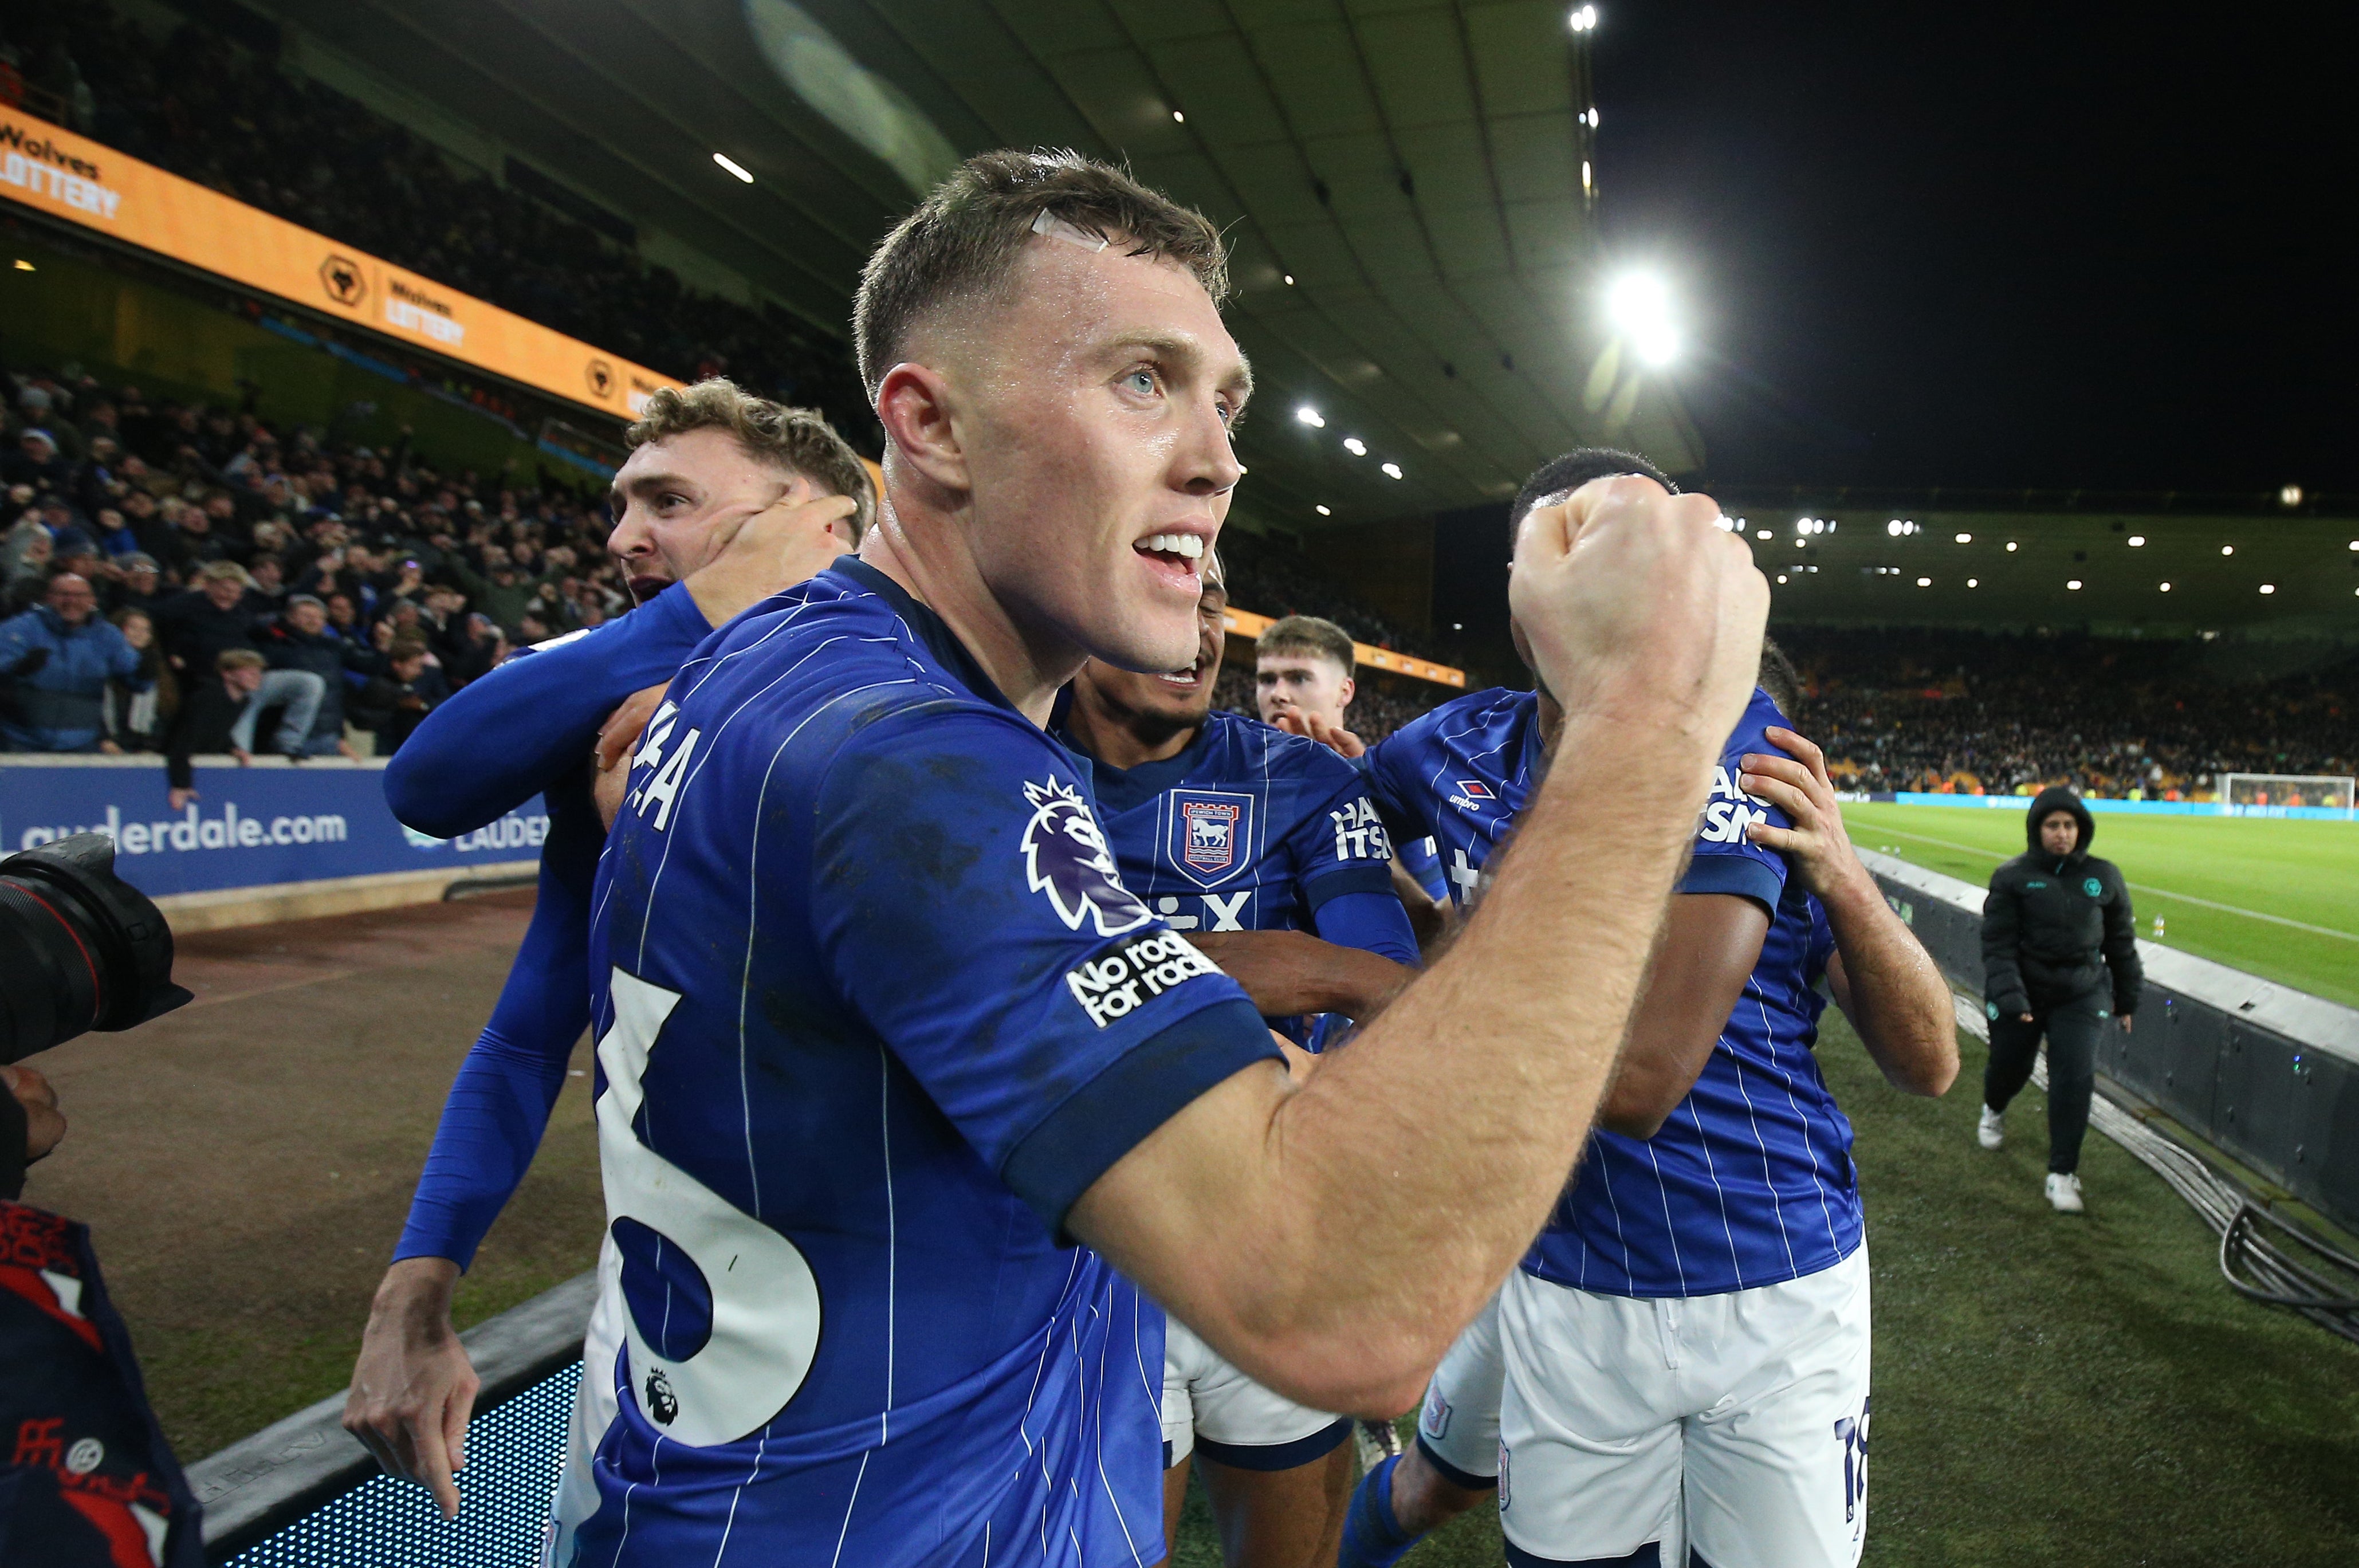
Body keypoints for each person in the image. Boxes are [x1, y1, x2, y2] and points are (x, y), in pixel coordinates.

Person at [556, 149, 1764, 1566]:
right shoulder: (913, 763)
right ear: (929, 425)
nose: (1217, 456)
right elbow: (1345, 1306)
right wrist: (1642, 724)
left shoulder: (785, 666)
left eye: (1224, 399)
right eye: (1142, 380)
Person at [1336, 450, 1957, 1568]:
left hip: (1771, 1275)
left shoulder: (1737, 746)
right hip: (1565, 1271)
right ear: (1526, 589)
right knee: (1471, 1501)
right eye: (1569, 550)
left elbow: (1640, 1083)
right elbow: (1339, 826)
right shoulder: (1452, 748)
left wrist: (1370, 982)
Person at [344, 381, 870, 1525]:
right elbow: (521, 1008)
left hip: (889, 1335)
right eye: (621, 505)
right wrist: (416, 1288)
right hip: (663, 1313)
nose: (623, 537)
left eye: (667, 501)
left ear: (813, 521)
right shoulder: (630, 712)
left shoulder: (922, 710)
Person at [1054, 559, 1418, 1568]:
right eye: (1167, 595)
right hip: (1077, 1264)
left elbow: (1382, 985)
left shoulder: (1298, 776)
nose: (1195, 631)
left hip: (1271, 1240)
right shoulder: (998, 760)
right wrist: (1256, 979)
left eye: (1211, 604)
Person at [1977, 787, 2142, 1213]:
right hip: (2024, 991)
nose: (2062, 834)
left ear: (2081, 829)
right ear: (2037, 829)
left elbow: (2121, 942)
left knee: (2075, 1076)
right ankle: (1994, 1106)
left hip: (2083, 992)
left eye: (2069, 825)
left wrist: (2127, 998)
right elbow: (1998, 945)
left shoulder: (2105, 876)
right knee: (2010, 1068)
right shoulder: (2012, 877)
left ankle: (2062, 1173)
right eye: (2053, 825)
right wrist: (2012, 997)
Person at [1255, 614, 1448, 915]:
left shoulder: (1393, 790)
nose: (1278, 694)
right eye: (1267, 680)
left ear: (1345, 692)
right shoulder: (1227, 783)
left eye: (1299, 678)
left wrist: (1361, 816)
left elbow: (1435, 923)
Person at [0, 572, 148, 752]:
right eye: (64, 594)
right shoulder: (20, 628)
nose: (72, 601)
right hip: (20, 741)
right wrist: (18, 668)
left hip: (83, 743)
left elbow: (136, 680)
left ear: (92, 600)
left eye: (80, 596)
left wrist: (146, 671)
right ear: (49, 598)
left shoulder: (107, 636)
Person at [164, 649, 267, 809]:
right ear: (228, 674)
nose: (257, 677)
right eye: (249, 672)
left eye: (258, 672)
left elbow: (216, 731)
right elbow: (182, 742)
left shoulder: (241, 702)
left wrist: (232, 748)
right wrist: (181, 785)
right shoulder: (207, 698)